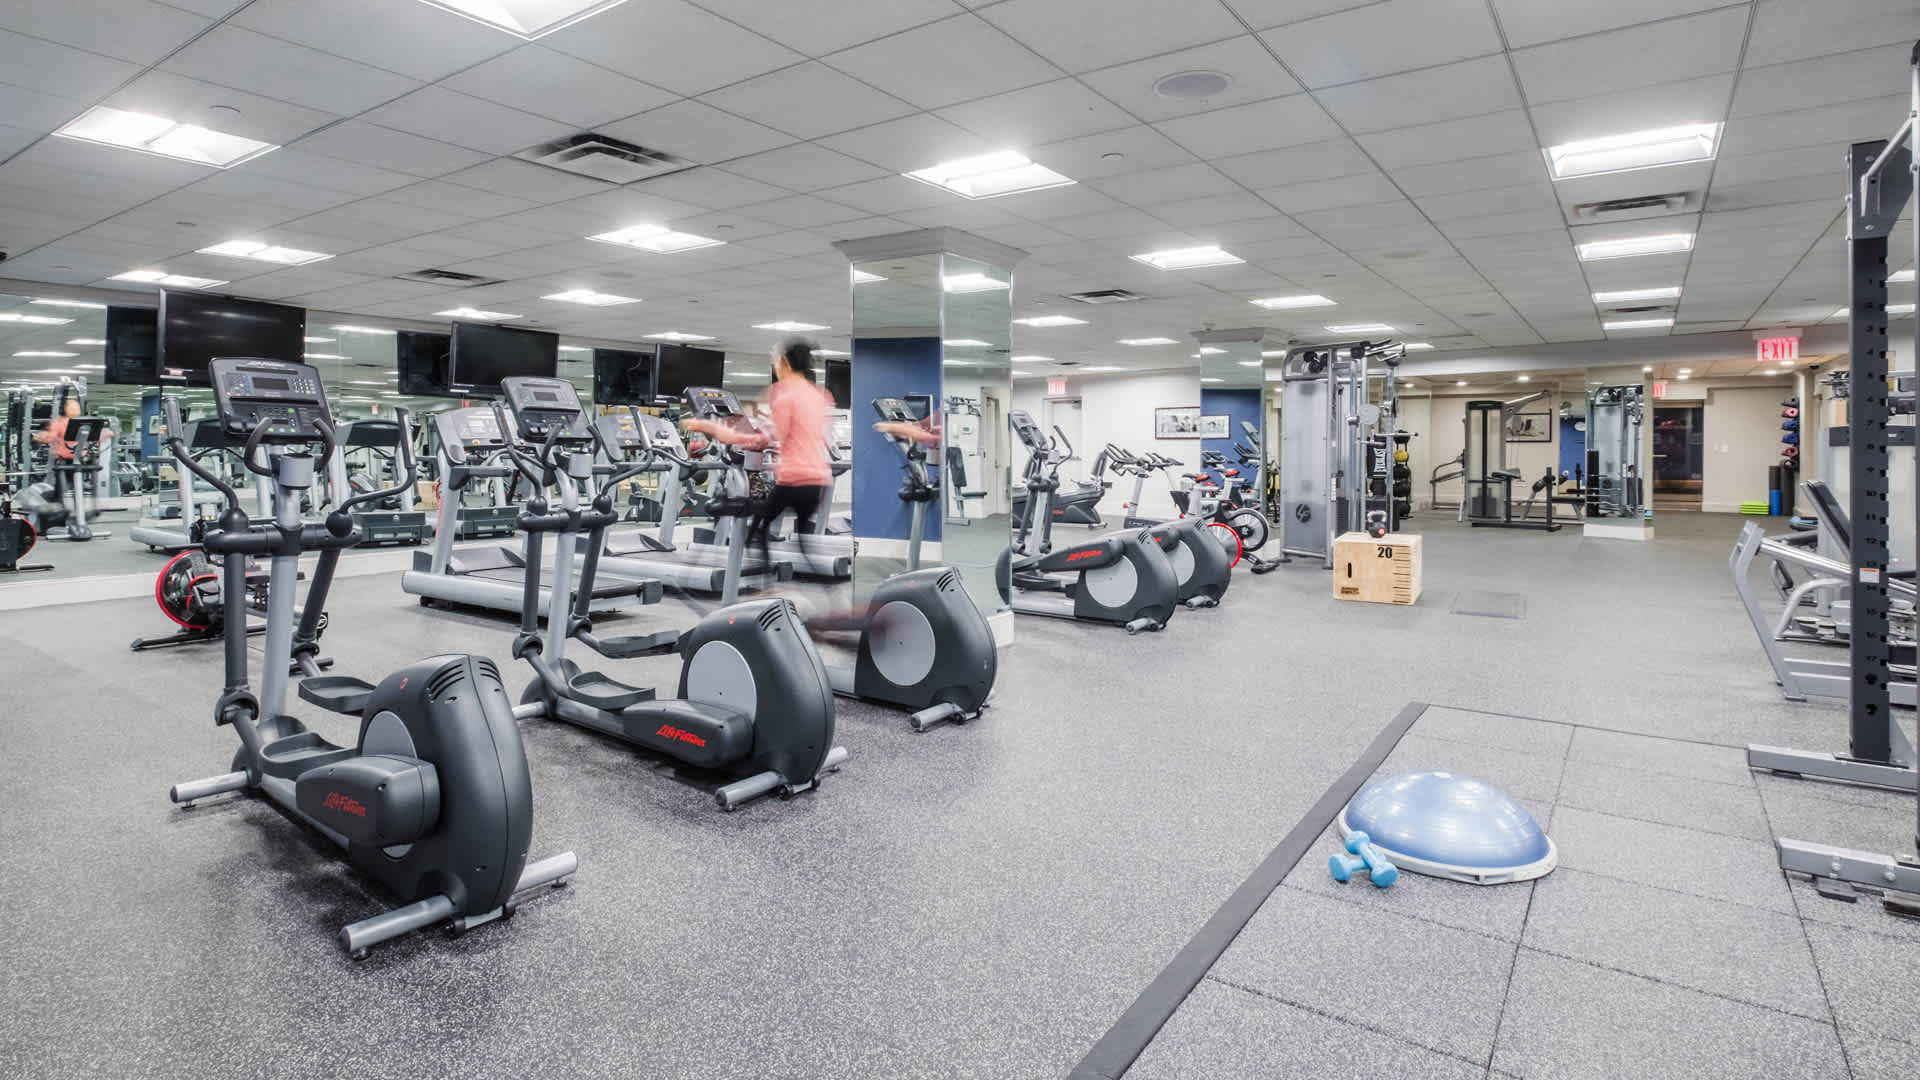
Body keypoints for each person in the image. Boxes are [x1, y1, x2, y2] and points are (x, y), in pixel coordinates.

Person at [680, 338, 834, 570]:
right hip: (817, 480)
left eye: (775, 361)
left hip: (794, 479)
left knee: (755, 527)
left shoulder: (783, 393)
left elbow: (768, 438)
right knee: (801, 544)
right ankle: (811, 582)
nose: (774, 366)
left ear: (785, 363)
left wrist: (720, 432)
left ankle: (765, 579)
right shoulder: (820, 394)